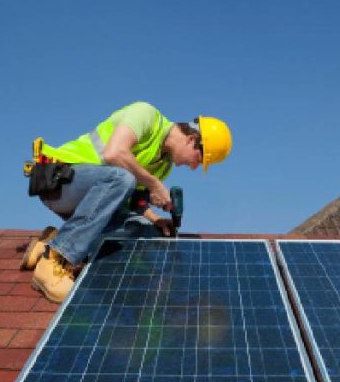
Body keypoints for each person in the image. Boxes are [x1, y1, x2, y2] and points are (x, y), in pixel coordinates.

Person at [21, 101, 232, 303]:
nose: (195, 167)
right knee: (122, 177)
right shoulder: (146, 115)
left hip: (90, 202)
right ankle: (53, 261)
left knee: (148, 233)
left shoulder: (164, 166)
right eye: (200, 159)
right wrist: (154, 184)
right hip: (59, 181)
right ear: (192, 139)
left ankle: (53, 242)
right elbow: (114, 153)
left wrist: (156, 219)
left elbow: (132, 201)